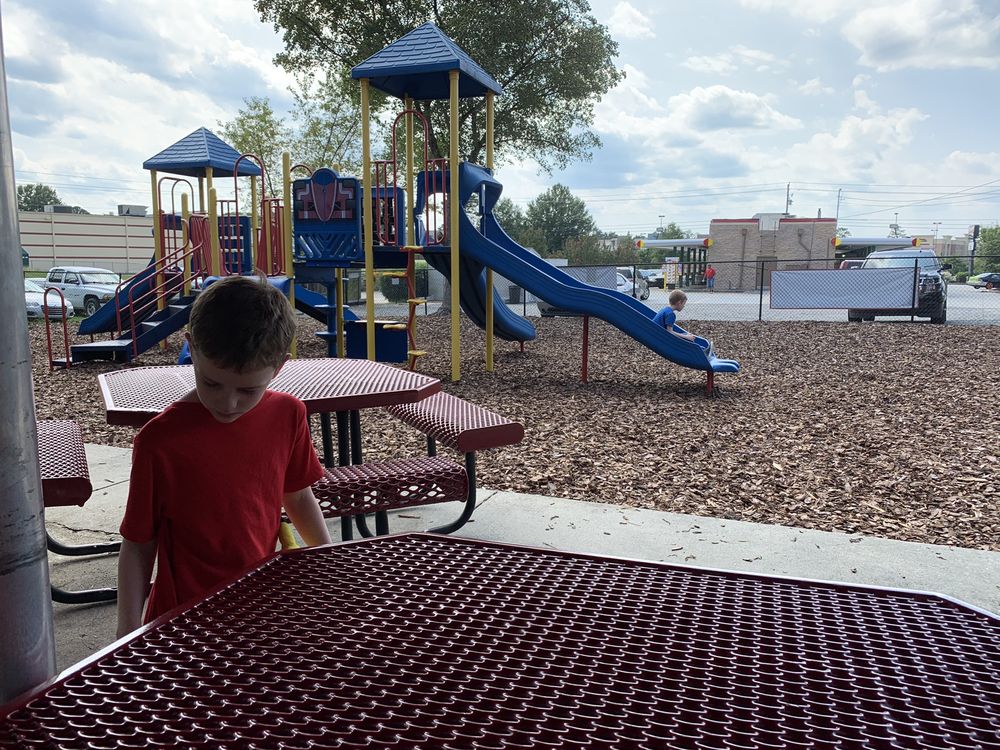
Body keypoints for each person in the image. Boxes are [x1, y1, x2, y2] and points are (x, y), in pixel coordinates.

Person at [116, 276, 331, 637]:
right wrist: (126, 631)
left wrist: (326, 560)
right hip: (184, 617)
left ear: (279, 367)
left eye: (248, 390)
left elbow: (296, 495)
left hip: (261, 604)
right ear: (192, 351)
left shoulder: (289, 414)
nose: (227, 403)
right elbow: (139, 544)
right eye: (211, 382)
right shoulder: (159, 440)